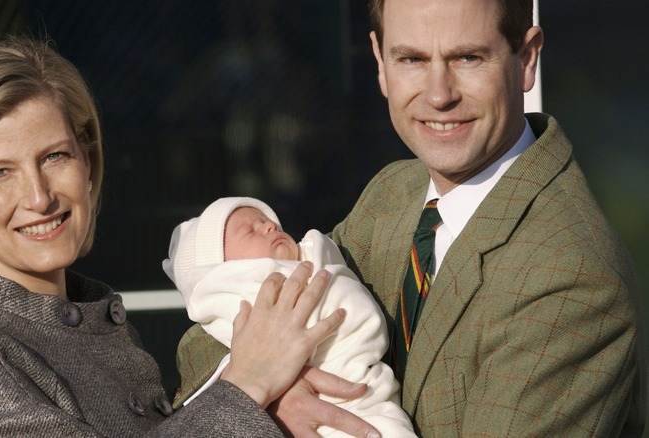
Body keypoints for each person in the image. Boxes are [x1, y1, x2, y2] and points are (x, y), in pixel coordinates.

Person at [175, 0, 647, 436]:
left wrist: (263, 396)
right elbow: (212, 323)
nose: (438, 95)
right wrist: (262, 395)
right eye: (412, 60)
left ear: (525, 59)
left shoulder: (571, 280)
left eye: (468, 58)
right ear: (379, 63)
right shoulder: (393, 194)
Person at [0, 36, 354, 437]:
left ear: (86, 160)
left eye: (54, 157)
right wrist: (248, 384)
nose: (39, 196)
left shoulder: (100, 324)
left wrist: (267, 407)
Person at [163, 197, 416, 437]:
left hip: (365, 394)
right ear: (221, 270)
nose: (270, 226)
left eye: (267, 221)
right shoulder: (238, 296)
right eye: (250, 230)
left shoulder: (323, 256)